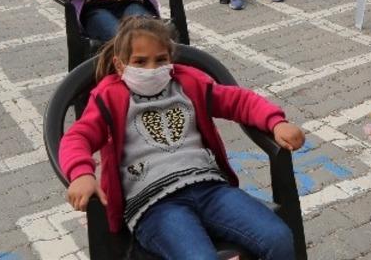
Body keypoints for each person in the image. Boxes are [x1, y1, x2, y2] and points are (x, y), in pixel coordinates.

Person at [58, 16, 303, 259]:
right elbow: (77, 137)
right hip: (154, 206)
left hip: (211, 189)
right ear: (121, 65)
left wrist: (276, 122)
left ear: (171, 60)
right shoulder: (109, 98)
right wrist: (81, 174)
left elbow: (240, 101)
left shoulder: (188, 84)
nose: (151, 69)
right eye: (140, 62)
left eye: (160, 60)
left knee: (278, 237)